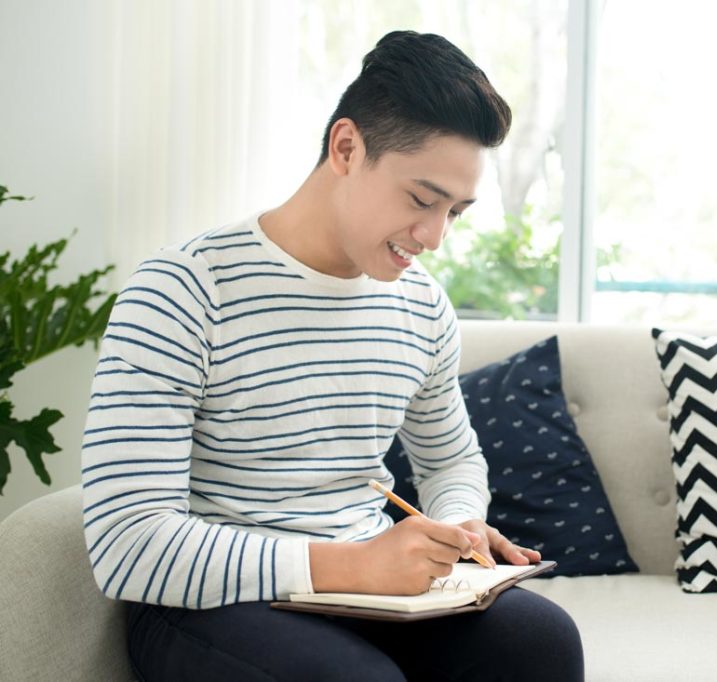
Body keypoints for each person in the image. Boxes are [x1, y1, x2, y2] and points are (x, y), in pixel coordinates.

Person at [81, 30, 584, 681]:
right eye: (422, 200)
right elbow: (128, 545)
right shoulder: (183, 291)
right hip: (210, 602)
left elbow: (452, 457)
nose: (434, 237)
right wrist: (354, 564)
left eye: (456, 212)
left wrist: (459, 523)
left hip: (365, 595)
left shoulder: (422, 307)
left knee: (542, 644)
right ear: (347, 147)